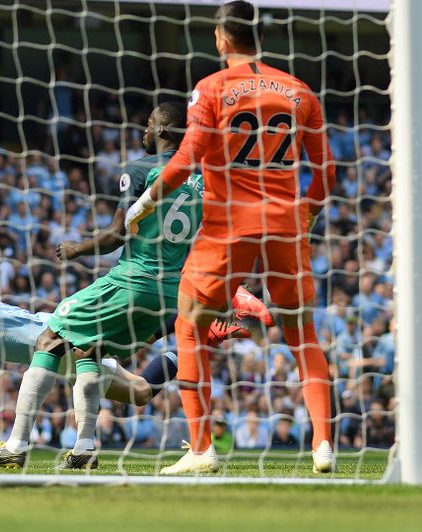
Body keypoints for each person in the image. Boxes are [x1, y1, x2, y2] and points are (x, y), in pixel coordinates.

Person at [0, 103, 270, 470]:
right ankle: (85, 446)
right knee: (88, 351)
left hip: (133, 279)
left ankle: (15, 444)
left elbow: (115, 234)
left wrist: (77, 248)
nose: (143, 131)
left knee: (51, 338)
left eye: (148, 124)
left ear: (162, 130)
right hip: (172, 291)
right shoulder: (205, 177)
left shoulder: (143, 170)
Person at [125, 1, 336, 474]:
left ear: (221, 38)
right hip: (284, 225)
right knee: (303, 335)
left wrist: (143, 204)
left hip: (229, 227)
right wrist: (309, 215)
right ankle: (323, 445)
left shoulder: (212, 88)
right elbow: (327, 170)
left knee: (189, 327)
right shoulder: (299, 91)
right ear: (257, 35)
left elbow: (184, 160)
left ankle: (201, 448)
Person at [0, 245, 259, 455]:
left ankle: (218, 299)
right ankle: (206, 334)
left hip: (59, 336)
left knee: (138, 334)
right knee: (139, 393)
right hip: (53, 363)